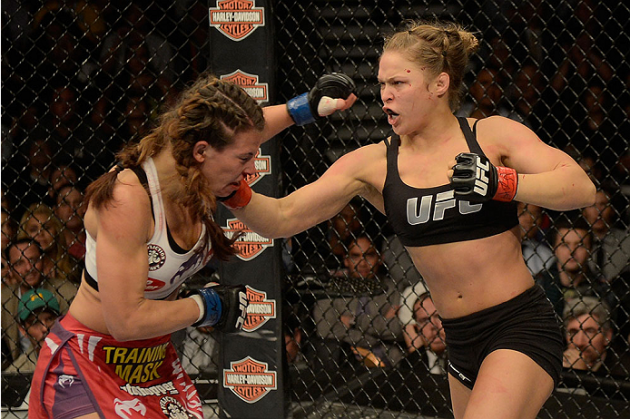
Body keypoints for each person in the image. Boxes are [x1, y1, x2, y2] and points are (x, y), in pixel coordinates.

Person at [229, 20, 596, 418]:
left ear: (439, 85)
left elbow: (580, 187)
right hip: (457, 338)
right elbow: (281, 217)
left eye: (398, 84)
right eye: (382, 84)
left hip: (517, 325)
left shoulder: (491, 135)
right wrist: (231, 190)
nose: (385, 96)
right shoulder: (373, 163)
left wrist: (501, 183)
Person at [28, 72, 356, 418]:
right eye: (244, 159)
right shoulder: (129, 200)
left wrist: (303, 108)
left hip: (152, 363)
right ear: (201, 151)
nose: (249, 169)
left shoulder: (205, 174)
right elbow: (125, 320)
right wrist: (207, 305)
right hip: (88, 360)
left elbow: (255, 156)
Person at [311, 235, 404, 370]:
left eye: (369, 255)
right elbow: (325, 330)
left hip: (388, 361)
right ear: (346, 260)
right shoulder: (332, 290)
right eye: (355, 256)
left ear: (380, 258)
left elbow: (398, 330)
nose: (362, 263)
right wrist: (378, 331)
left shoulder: (393, 289)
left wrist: (353, 322)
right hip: (342, 360)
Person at [536, 215, 610, 318]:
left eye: (580, 245)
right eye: (565, 245)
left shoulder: (602, 290)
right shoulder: (538, 286)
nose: (572, 252)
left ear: (590, 249)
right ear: (554, 248)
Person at [563, 296, 630, 378]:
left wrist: (580, 375)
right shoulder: (554, 360)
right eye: (573, 332)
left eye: (590, 332)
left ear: (607, 336)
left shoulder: (624, 370)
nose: (579, 342)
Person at [5, 288, 60, 373]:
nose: (44, 328)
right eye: (35, 322)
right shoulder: (17, 372)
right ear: (23, 330)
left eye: (49, 319)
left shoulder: (78, 356)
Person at [398, 281, 447, 376]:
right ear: (417, 328)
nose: (433, 325)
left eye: (438, 317)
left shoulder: (468, 360)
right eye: (425, 320)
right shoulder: (408, 365)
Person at [518, 202, 554, 277]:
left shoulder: (546, 255)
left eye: (536, 215)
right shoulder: (495, 248)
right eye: (523, 212)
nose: (529, 219)